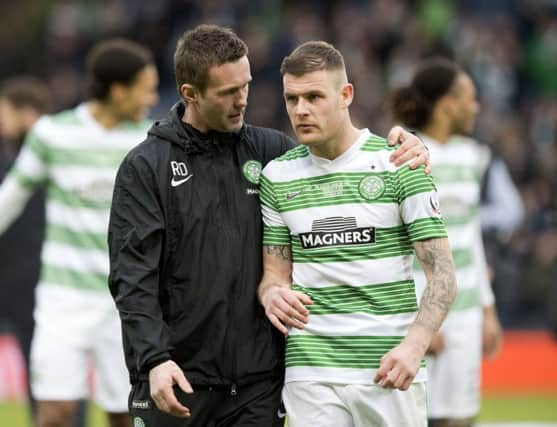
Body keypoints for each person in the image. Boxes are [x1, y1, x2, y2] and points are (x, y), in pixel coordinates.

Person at [107, 24, 431, 427]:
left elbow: (339, 156)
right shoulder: (145, 168)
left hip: (256, 389)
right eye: (228, 92)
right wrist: (153, 359)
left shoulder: (273, 155)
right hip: (176, 379)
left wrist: (410, 144)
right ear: (190, 94)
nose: (243, 99)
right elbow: (131, 277)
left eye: (246, 85)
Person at [256, 41, 457, 427]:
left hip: (388, 366)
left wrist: (413, 348)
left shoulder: (400, 164)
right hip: (310, 369)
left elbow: (443, 274)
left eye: (314, 96)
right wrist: (271, 295)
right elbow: (274, 277)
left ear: (346, 94)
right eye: (292, 99)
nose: (301, 110)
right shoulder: (277, 177)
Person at [0, 39, 159, 427]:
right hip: (62, 300)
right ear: (118, 91)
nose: (152, 97)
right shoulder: (54, 134)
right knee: (54, 413)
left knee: (126, 415)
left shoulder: (150, 142)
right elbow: (10, 199)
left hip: (126, 302)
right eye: (145, 88)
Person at [391, 58, 504, 427]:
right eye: (470, 98)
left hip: (468, 311)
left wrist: (487, 311)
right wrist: (420, 321)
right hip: (427, 312)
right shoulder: (407, 157)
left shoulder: (473, 156)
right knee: (421, 417)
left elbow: (471, 238)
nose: (476, 107)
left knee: (462, 417)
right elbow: (402, 246)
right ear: (447, 104)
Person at [0, 76, 50, 423]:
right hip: (16, 276)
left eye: (5, 113)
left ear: (27, 113)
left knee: (45, 365)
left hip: (32, 276)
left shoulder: (41, 163)